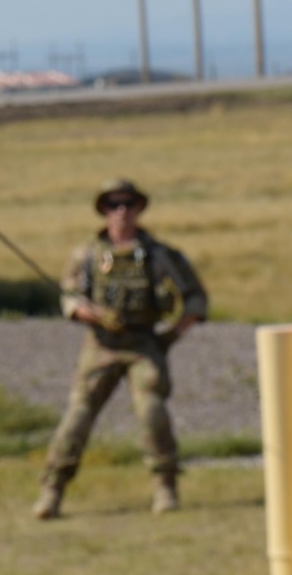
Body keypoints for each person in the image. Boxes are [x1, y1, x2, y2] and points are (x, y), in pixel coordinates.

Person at [35, 179, 208, 520]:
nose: (122, 211)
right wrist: (91, 314)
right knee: (77, 417)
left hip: (144, 343)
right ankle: (52, 490)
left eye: (129, 204)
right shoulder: (87, 255)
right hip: (101, 345)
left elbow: (196, 298)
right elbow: (69, 296)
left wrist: (171, 336)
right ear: (104, 210)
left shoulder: (159, 255)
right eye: (114, 204)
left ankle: (165, 484)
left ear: (140, 208)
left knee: (152, 412)